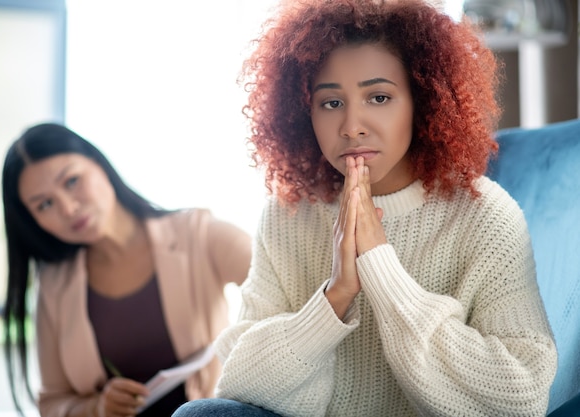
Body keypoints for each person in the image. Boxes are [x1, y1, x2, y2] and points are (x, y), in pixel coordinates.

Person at [171, 0, 558, 416]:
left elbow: (523, 398)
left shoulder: (487, 216)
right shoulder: (289, 214)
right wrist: (335, 297)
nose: (352, 125)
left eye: (378, 97)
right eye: (331, 103)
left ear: (422, 101)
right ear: (305, 113)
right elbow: (238, 378)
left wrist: (381, 266)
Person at [1, 123, 252, 417]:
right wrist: (98, 407)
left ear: (99, 164)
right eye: (44, 204)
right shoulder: (54, 287)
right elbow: (52, 403)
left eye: (71, 181)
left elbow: (288, 286)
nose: (68, 209)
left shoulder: (200, 235)